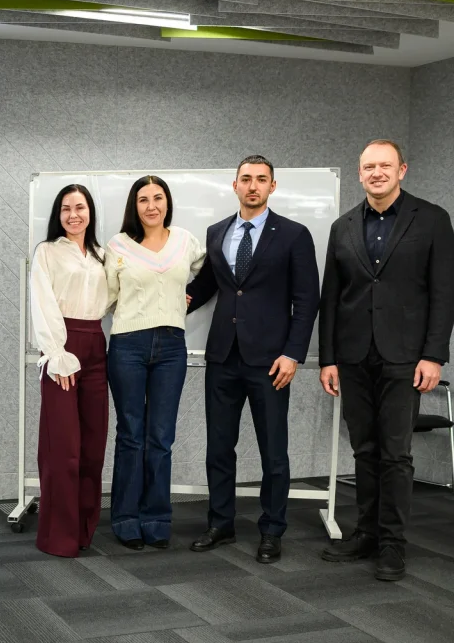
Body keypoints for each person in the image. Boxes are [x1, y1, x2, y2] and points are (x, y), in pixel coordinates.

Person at [318, 139, 454, 581]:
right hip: (353, 355)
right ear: (359, 173)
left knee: (395, 454)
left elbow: (443, 293)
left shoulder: (432, 219)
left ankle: (393, 543)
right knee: (364, 449)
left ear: (402, 170)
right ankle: (367, 533)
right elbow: (331, 298)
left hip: (405, 357)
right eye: (369, 167)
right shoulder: (342, 226)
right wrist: (328, 358)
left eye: (385, 165)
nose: (377, 173)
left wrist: (433, 355)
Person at [186, 155, 320, 564]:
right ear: (235, 185)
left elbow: (307, 299)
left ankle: (272, 530)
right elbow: (206, 286)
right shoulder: (217, 232)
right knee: (219, 448)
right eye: (246, 179)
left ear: (272, 186)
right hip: (223, 357)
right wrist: (161, 301)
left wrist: (293, 354)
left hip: (271, 361)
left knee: (273, 452)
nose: (253, 185)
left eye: (261, 179)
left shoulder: (294, 235)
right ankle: (220, 524)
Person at [104, 176, 206, 549]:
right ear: (134, 206)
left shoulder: (185, 241)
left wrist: (190, 296)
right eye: (143, 199)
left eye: (158, 198)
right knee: (131, 434)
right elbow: (106, 297)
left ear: (167, 203)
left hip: (171, 348)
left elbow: (212, 273)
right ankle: (126, 517)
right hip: (127, 346)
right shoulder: (118, 245)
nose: (151, 206)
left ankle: (157, 517)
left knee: (161, 437)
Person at [31, 183, 109, 558]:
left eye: (80, 207)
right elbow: (42, 303)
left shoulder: (102, 256)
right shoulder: (47, 252)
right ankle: (57, 537)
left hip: (96, 346)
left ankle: (82, 530)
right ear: (58, 215)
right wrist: (57, 354)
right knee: (63, 449)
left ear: (90, 212)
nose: (73, 214)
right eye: (66, 208)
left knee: (93, 448)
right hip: (63, 346)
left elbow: (120, 297)